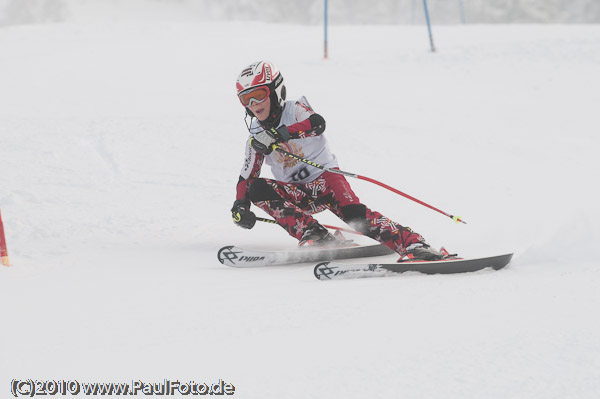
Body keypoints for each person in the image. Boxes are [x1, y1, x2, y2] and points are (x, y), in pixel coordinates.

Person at [231, 61, 443, 261]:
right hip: (297, 194)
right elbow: (247, 176)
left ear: (275, 89)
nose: (253, 104)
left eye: (259, 95)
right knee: (257, 188)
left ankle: (415, 244)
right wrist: (240, 206)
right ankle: (316, 235)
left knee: (355, 216)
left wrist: (282, 134)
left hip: (327, 182)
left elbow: (317, 123)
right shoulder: (256, 136)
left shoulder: (294, 109)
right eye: (245, 99)